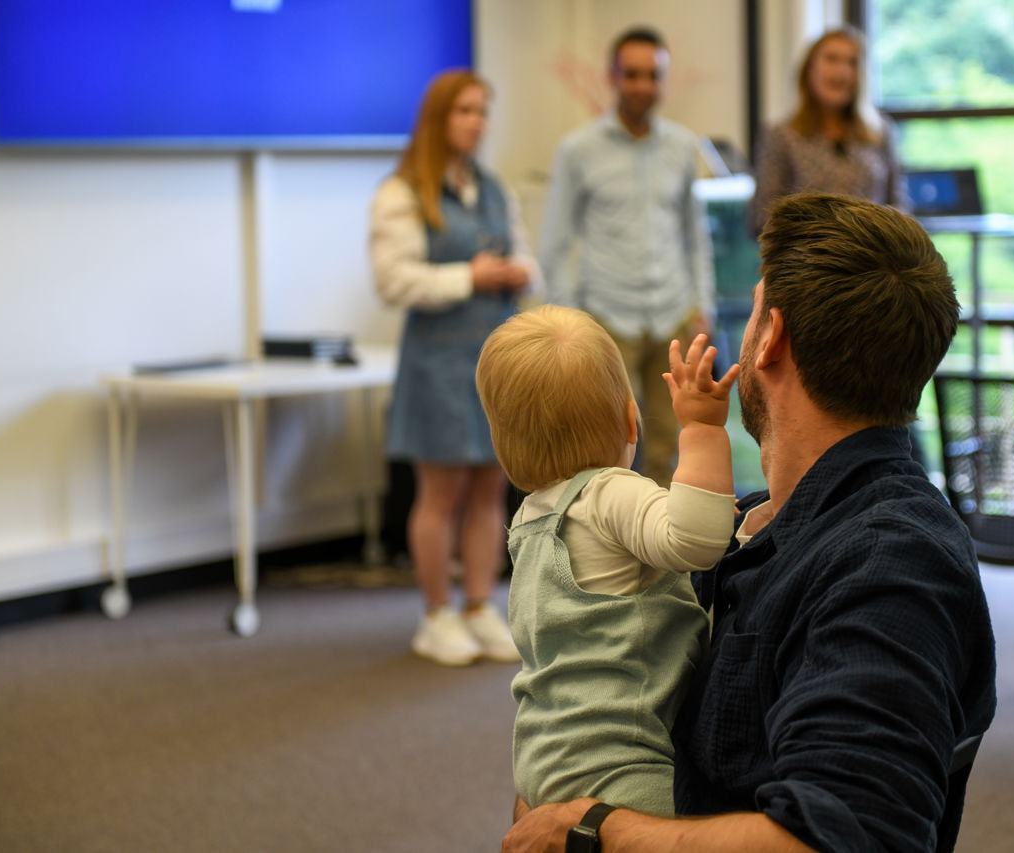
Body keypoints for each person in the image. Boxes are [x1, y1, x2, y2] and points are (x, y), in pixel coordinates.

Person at [502, 193, 997, 853]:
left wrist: (591, 827)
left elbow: (849, 835)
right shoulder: (765, 521)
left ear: (771, 339)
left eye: (757, 306)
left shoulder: (891, 563)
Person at [476, 305, 739, 818]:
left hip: (545, 752)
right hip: (621, 763)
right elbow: (699, 543)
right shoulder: (609, 492)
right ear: (629, 419)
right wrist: (702, 428)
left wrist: (692, 504)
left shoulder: (531, 519)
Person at [369, 69, 540, 667]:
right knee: (442, 492)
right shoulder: (401, 193)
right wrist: (470, 276)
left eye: (482, 111)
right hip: (437, 362)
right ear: (438, 119)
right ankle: (436, 614)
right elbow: (393, 281)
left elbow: (528, 259)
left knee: (491, 489)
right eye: (464, 110)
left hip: (493, 360)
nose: (475, 122)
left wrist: (519, 272)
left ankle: (478, 606)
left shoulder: (494, 189)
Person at [538, 26, 715, 489]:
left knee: (670, 446)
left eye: (653, 75)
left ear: (664, 80)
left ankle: (665, 537)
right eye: (632, 74)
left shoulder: (682, 146)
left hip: (672, 314)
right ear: (613, 77)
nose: (642, 85)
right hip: (607, 317)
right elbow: (554, 242)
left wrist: (703, 305)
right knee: (607, 444)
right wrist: (570, 317)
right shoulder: (578, 149)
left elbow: (694, 234)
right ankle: (612, 533)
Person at [748, 26, 909, 237]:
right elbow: (762, 216)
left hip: (872, 252)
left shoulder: (880, 132)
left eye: (852, 62)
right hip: (809, 253)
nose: (843, 71)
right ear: (809, 69)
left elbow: (899, 206)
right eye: (832, 59)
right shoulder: (781, 135)